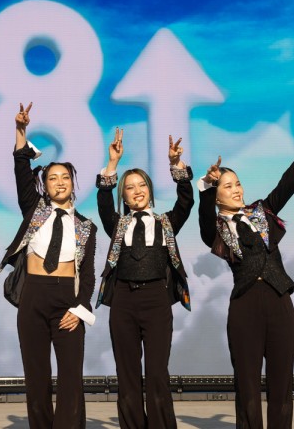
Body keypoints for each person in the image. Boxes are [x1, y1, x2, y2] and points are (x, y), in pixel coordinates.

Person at [198, 126, 294, 429]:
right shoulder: (217, 228)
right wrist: (206, 186)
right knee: (247, 384)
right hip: (245, 304)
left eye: (238, 184)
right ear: (217, 195)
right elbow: (205, 218)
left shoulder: (262, 211)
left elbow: (287, 185)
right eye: (227, 186)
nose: (236, 190)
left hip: (279, 300)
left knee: (281, 383)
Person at [0, 103, 97, 429]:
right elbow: (21, 171)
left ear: (73, 183)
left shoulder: (86, 227)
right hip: (33, 296)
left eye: (64, 177)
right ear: (45, 185)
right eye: (52, 177)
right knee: (36, 375)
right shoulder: (34, 209)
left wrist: (80, 308)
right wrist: (21, 132)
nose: (58, 182)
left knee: (71, 379)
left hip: (67, 298)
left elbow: (89, 273)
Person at [96, 128, 193, 429]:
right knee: (126, 372)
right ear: (122, 195)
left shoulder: (167, 221)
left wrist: (176, 165)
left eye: (141, 186)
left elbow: (186, 202)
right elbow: (103, 200)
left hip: (156, 299)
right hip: (123, 300)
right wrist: (112, 164)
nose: (136, 190)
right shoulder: (117, 223)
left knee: (156, 373)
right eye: (129, 187)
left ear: (150, 190)